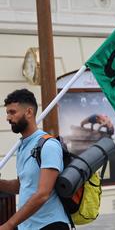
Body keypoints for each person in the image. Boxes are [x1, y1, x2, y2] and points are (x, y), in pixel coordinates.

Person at [0, 89, 69, 230]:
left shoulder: (48, 145)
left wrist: (10, 224)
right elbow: (22, 186)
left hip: (50, 225)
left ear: (29, 112)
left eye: (12, 112)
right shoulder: (22, 146)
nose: (8, 118)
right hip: (28, 227)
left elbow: (42, 194)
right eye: (7, 113)